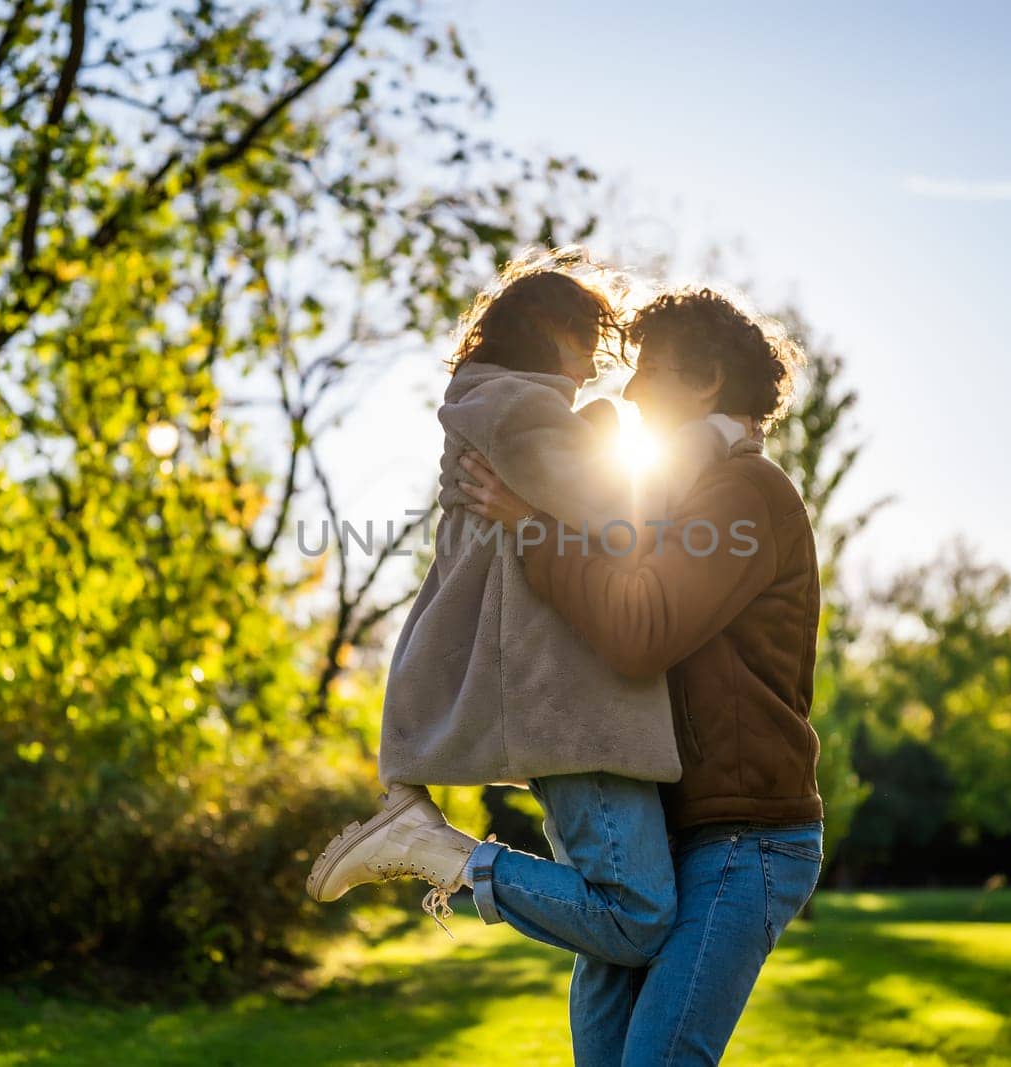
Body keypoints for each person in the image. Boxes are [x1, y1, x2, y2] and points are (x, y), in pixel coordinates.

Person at [307, 250, 729, 994]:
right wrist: (709, 444)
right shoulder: (518, 407)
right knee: (636, 915)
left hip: (557, 696)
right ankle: (447, 856)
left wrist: (579, 447)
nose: (593, 370)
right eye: (588, 345)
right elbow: (622, 515)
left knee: (603, 937)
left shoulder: (499, 408)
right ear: (543, 326)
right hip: (575, 698)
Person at [460, 287, 825, 1065]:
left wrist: (530, 525)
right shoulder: (684, 493)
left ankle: (461, 864)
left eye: (651, 369)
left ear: (705, 383)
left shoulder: (743, 494)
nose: (626, 391)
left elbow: (638, 630)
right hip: (667, 836)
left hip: (747, 840)